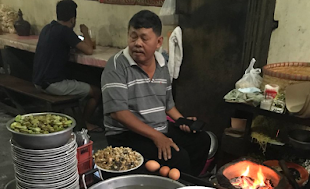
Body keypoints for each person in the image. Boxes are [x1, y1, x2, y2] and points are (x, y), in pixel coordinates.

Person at [101, 10, 210, 176]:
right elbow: (118, 113)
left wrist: (181, 120)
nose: (137, 43)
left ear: (158, 42)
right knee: (179, 159)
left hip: (158, 127)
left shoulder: (161, 64)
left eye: (144, 38)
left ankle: (188, 185)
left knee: (202, 141)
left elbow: (168, 104)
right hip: (126, 135)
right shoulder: (116, 66)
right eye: (133, 36)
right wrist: (157, 137)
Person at [33, 0, 101, 132]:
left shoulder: (47, 28)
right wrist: (85, 32)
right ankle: (84, 123)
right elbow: (89, 50)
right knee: (96, 92)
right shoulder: (65, 31)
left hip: (37, 81)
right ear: (73, 19)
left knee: (78, 77)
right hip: (51, 85)